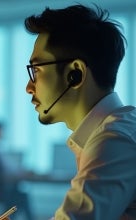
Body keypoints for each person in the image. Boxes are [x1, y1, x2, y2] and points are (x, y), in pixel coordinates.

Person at [24, 4, 136, 219]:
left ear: (75, 74)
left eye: (36, 70)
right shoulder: (115, 130)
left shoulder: (115, 139)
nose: (29, 87)